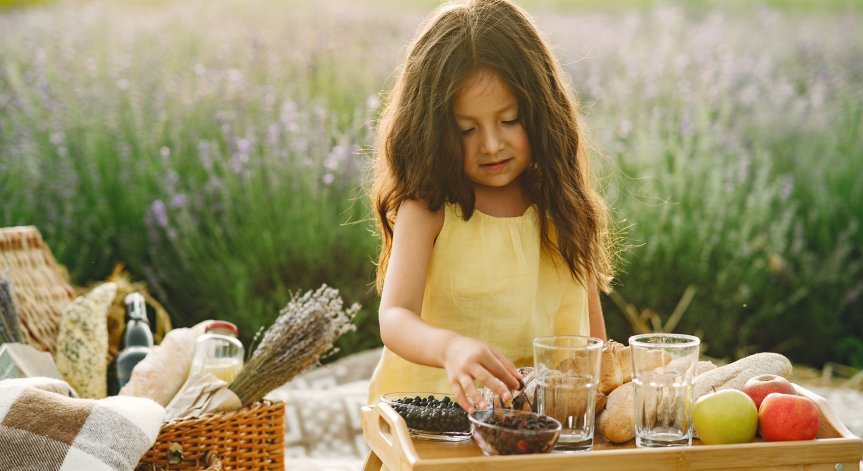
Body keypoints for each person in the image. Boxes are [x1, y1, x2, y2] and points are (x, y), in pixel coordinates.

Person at [367, 0, 616, 414]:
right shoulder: (428, 207)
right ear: (433, 130)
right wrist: (450, 348)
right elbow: (394, 317)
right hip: (433, 424)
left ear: (539, 113)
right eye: (467, 129)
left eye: (510, 120)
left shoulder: (561, 205)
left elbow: (594, 342)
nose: (491, 144)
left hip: (539, 426)